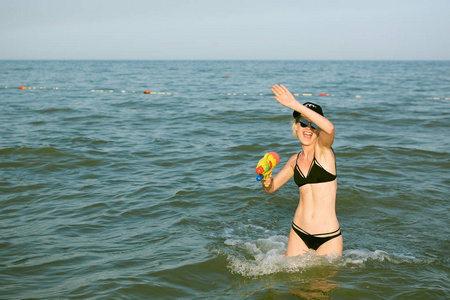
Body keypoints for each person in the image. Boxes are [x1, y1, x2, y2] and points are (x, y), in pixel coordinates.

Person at [261, 84, 343, 257]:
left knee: (323, 284)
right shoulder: (294, 160)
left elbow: (330, 128)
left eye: (314, 125)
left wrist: (294, 104)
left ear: (318, 131)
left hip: (328, 236)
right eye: (303, 123)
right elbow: (271, 189)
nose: (308, 128)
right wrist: (266, 181)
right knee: (291, 283)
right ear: (296, 126)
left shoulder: (324, 152)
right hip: (298, 232)